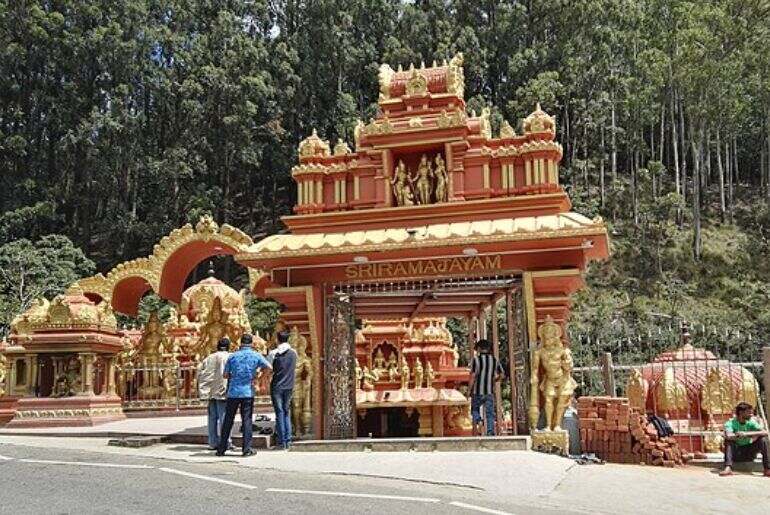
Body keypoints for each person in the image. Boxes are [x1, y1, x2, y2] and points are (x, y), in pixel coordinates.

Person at [216, 334, 271, 457]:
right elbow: (269, 367)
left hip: (233, 392)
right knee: (246, 420)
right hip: (247, 392)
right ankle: (246, 449)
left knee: (228, 420)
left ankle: (222, 449)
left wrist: (235, 376)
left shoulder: (233, 356)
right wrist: (259, 377)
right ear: (251, 343)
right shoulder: (255, 355)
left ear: (241, 343)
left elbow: (225, 375)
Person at [197, 337, 232, 450]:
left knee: (212, 417)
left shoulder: (209, 358)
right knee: (224, 417)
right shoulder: (229, 357)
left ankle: (212, 442)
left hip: (210, 391)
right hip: (223, 390)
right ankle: (226, 442)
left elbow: (200, 371)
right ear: (228, 346)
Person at [266, 327, 297, 450]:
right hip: (289, 385)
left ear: (277, 339)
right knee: (286, 412)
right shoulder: (294, 353)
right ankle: (288, 440)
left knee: (279, 413)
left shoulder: (274, 353)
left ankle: (281, 441)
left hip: (277, 386)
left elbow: (268, 369)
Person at [720, 402, 770, 477]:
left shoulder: (751, 422)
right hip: (736, 454)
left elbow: (765, 432)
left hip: (749, 453)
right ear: (741, 412)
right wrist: (737, 435)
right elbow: (729, 435)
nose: (751, 415)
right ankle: (728, 467)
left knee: (763, 439)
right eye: (749, 413)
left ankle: (767, 469)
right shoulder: (730, 423)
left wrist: (745, 434)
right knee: (728, 441)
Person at [469, 339, 504, 436]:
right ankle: (490, 431)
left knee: (474, 409)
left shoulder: (476, 360)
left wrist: (469, 390)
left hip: (477, 391)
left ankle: (479, 420)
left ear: (479, 349)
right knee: (490, 413)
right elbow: (502, 375)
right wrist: (494, 380)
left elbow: (472, 376)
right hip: (489, 392)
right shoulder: (494, 360)